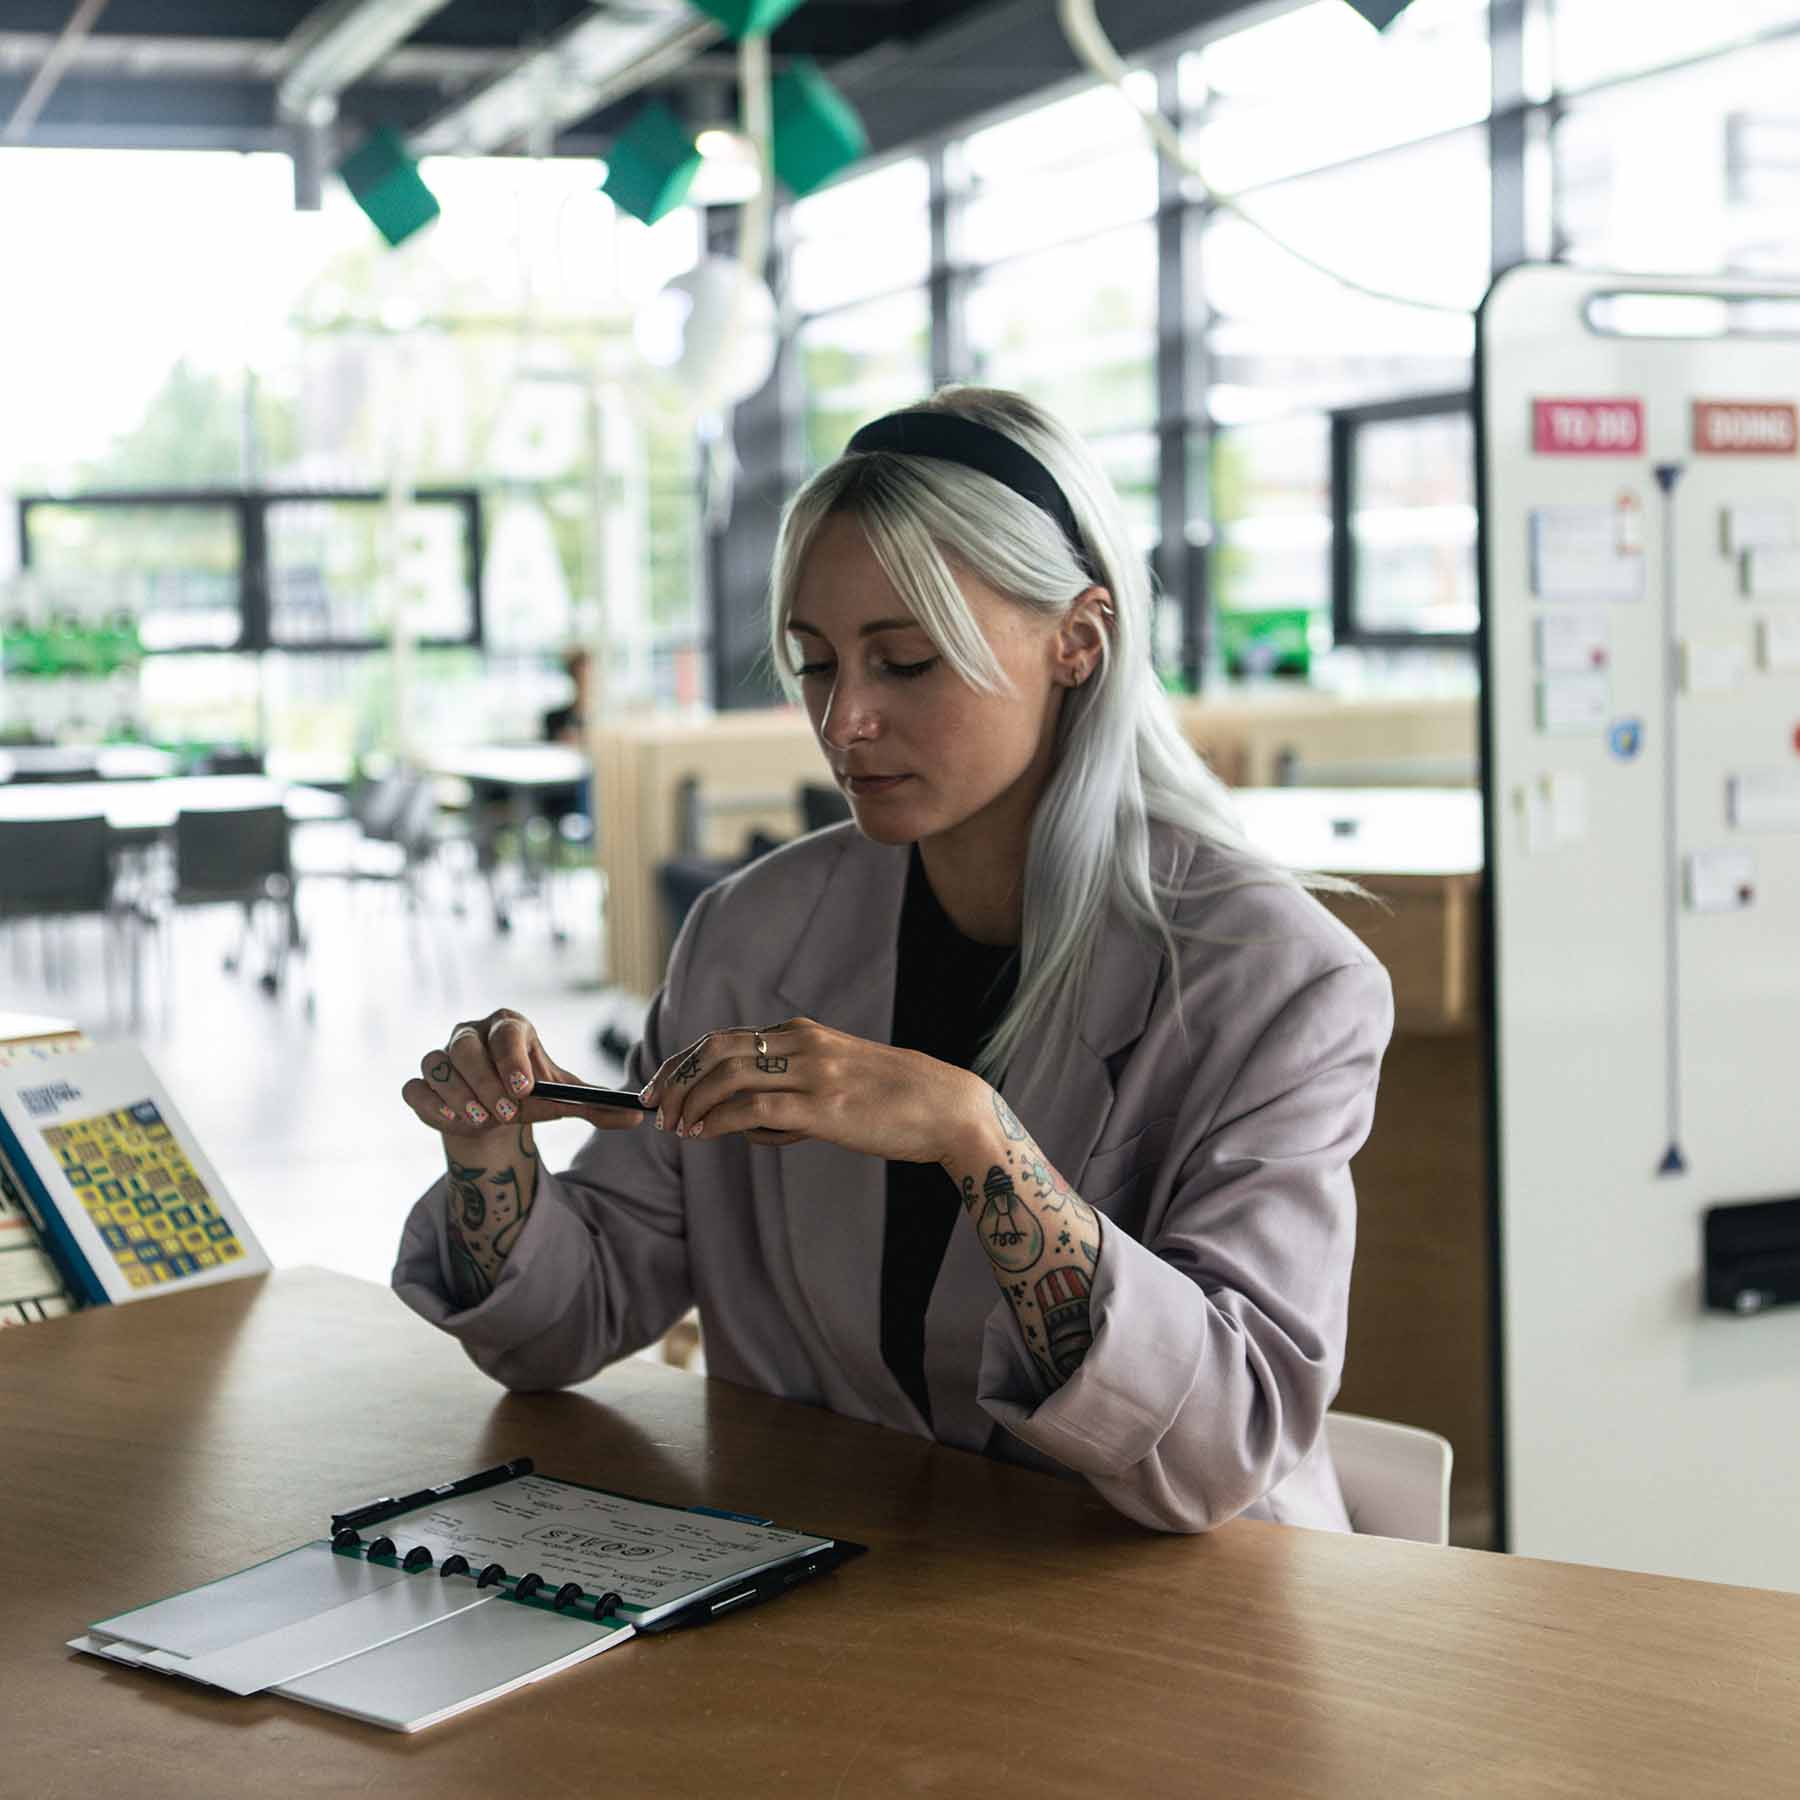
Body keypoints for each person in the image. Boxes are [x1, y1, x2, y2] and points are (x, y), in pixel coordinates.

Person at [393, 387, 1394, 1534]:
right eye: (816, 664)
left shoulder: (1279, 983)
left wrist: (974, 1138)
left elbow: (1223, 1450)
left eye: (907, 662)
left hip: (1185, 1622)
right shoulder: (750, 933)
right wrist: (491, 1155)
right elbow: (562, 1329)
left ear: (1079, 641)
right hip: (853, 1587)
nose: (845, 720)